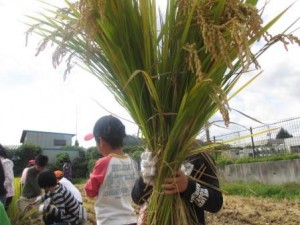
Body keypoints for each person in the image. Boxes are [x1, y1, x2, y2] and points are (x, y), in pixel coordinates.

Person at [131, 151, 223, 225]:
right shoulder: (153, 156)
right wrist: (144, 180)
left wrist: (188, 186)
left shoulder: (200, 157)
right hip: (155, 220)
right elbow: (137, 199)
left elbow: (216, 203)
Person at [84, 115, 139, 225]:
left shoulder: (103, 162)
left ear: (100, 141)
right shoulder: (132, 162)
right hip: (131, 220)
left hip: (109, 221)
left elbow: (90, 191)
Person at [17, 154, 49, 225]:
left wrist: (47, 193)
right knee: (26, 218)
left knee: (37, 219)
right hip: (26, 198)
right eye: (39, 167)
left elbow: (46, 186)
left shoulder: (44, 171)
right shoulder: (30, 171)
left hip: (36, 198)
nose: (40, 169)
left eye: (42, 167)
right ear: (36, 164)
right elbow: (36, 187)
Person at [0, 144, 15, 211]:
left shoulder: (5, 162)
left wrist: (1, 187)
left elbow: (9, 178)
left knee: (3, 214)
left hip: (6, 193)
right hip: (2, 192)